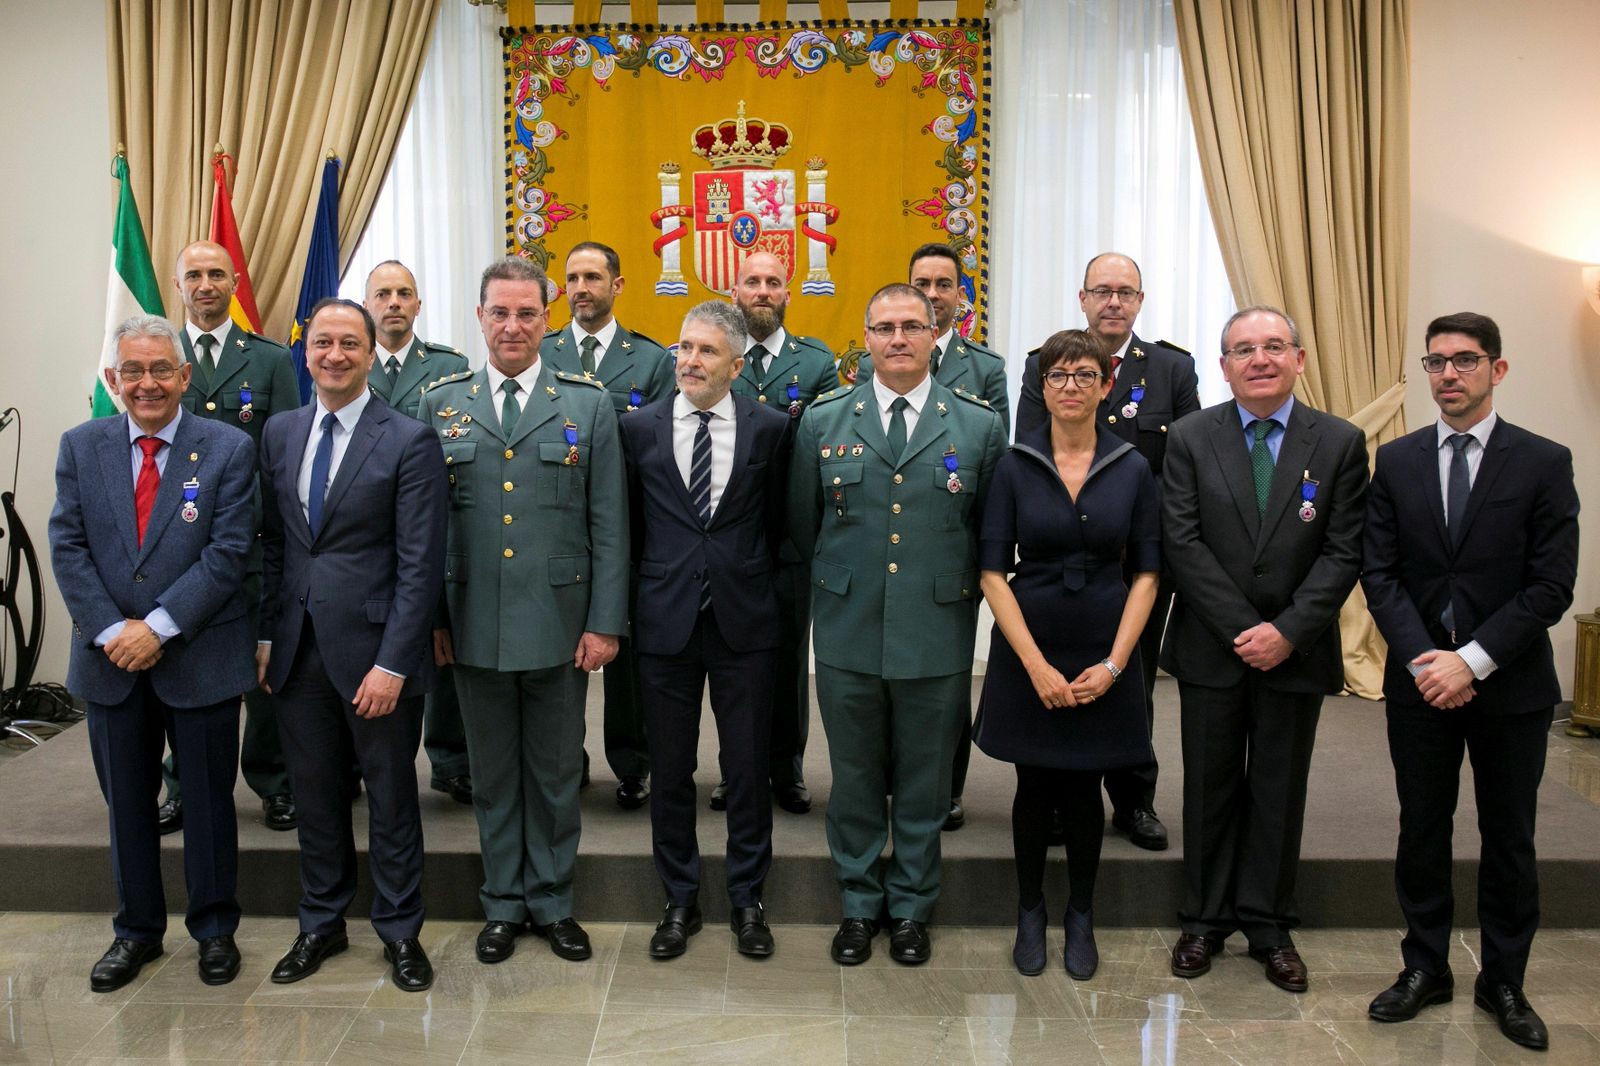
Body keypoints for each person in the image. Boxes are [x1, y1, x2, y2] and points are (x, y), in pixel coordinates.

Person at [1361, 312, 1578, 1051]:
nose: (1448, 375)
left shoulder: (1545, 461)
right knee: (1421, 829)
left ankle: (1504, 980)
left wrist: (1473, 660)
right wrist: (1429, 661)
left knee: (1508, 837)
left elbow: (1551, 587)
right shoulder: (1398, 462)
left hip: (1510, 688)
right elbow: (1380, 574)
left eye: (1464, 361)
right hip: (1420, 684)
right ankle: (1424, 967)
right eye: (1435, 362)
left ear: (1498, 369)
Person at [789, 283, 1005, 966]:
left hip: (936, 629)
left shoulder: (976, 425)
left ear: (936, 333)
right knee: (852, 779)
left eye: (913, 326)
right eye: (884, 328)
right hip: (849, 627)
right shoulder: (824, 421)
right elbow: (803, 527)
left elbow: (988, 535)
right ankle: (858, 905)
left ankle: (910, 908)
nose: (900, 339)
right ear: (866, 337)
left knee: (925, 781)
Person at [425, 256, 628, 966]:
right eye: (500, 313)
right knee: (492, 774)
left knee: (552, 773)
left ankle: (551, 900)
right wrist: (433, 620)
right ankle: (503, 904)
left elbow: (610, 523)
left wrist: (605, 621)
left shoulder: (588, 404)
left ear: (548, 319)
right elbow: (425, 529)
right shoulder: (441, 402)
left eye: (527, 313)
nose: (513, 326)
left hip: (560, 621)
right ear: (480, 318)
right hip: (472, 618)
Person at [1161, 305, 1367, 993]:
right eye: (1244, 349)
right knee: (1209, 786)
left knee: (1280, 789)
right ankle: (1204, 919)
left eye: (1274, 346)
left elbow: (1344, 551)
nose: (1260, 359)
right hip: (1212, 647)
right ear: (1223, 367)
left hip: (1296, 650)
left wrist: (1288, 630)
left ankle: (1270, 925)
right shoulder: (1190, 437)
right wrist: (1241, 626)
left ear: (1299, 359)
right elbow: (1181, 543)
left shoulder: (1338, 442)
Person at [49, 314, 256, 992]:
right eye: (132, 371)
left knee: (206, 803)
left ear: (184, 376)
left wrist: (158, 627)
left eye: (160, 370)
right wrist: (115, 632)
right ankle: (136, 932)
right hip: (110, 663)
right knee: (128, 808)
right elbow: (69, 549)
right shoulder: (81, 446)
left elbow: (229, 553)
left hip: (198, 658)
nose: (147, 384)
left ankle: (215, 928)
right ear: (112, 380)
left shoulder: (227, 448)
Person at [257, 298, 447, 993]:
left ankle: (400, 932)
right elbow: (275, 544)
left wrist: (394, 662)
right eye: (321, 344)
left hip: (377, 656)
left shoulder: (408, 438)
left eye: (349, 345)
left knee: (393, 801)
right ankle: (321, 924)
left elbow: (420, 563)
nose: (333, 355)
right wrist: (265, 635)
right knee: (314, 798)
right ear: (304, 353)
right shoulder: (279, 432)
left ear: (371, 356)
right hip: (297, 651)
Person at [974, 329, 1159, 980]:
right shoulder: (1015, 464)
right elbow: (993, 573)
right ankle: (1030, 912)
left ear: (1107, 386)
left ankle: (1080, 914)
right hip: (1033, 644)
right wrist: (1034, 666)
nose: (1071, 386)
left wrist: (1114, 665)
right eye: (1058, 376)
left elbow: (1146, 574)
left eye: (1084, 375)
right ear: (1042, 388)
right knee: (1033, 786)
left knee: (1085, 788)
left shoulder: (1132, 467)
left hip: (1103, 647)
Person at [621, 300, 793, 960]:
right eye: (683, 348)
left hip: (744, 620)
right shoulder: (637, 429)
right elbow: (632, 528)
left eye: (706, 351)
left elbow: (781, 527)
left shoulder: (772, 429)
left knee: (747, 767)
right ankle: (679, 900)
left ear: (736, 364)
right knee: (670, 769)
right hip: (664, 620)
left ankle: (748, 899)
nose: (689, 361)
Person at [1017, 252, 1200, 850]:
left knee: (1131, 680)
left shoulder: (1172, 369)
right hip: (1059, 560)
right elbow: (1029, 455)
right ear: (1083, 298)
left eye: (1125, 291)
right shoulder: (1042, 364)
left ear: (1140, 301)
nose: (1113, 301)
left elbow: (1186, 468)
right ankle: (1051, 800)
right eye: (1102, 290)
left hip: (1136, 565)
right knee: (1054, 673)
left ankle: (1133, 799)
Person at [855, 243, 1012, 831]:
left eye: (945, 284)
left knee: (940, 702)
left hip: (942, 561)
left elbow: (988, 482)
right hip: (871, 568)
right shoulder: (847, 398)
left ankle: (946, 788)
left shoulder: (982, 376)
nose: (936, 293)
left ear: (956, 297)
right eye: (925, 282)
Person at [159, 239, 302, 835]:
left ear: (236, 280)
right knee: (182, 667)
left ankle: (272, 781)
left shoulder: (268, 360)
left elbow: (289, 450)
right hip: (179, 546)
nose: (206, 285)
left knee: (266, 669)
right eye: (194, 275)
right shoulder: (160, 358)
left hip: (256, 539)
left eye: (217, 274)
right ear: (178, 283)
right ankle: (183, 784)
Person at [540, 241, 672, 810]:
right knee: (554, 649)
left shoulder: (651, 360)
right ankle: (566, 761)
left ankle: (632, 762)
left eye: (593, 276)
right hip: (557, 525)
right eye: (571, 278)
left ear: (618, 285)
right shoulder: (540, 352)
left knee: (623, 651)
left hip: (631, 526)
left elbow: (664, 445)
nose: (580, 288)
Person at [727, 249, 838, 815]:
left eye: (774, 282)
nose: (763, 291)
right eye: (753, 281)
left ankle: (787, 769)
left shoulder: (816, 364)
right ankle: (734, 770)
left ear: (788, 294)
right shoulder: (717, 357)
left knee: (791, 659)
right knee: (732, 659)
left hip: (792, 534)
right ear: (734, 291)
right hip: (729, 534)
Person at [362, 258, 473, 806]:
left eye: (404, 292)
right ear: (368, 305)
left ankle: (451, 759)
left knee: (442, 644)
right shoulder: (349, 360)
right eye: (383, 293)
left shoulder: (449, 367)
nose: (394, 302)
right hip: (364, 529)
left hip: (435, 522)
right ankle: (367, 760)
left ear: (418, 304)